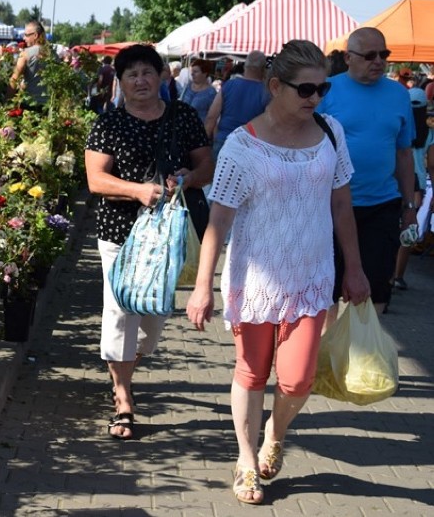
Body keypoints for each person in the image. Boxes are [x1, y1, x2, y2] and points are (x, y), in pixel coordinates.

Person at [186, 40, 370, 504]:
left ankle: (275, 432)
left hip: (311, 279)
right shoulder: (242, 147)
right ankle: (246, 461)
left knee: (297, 379)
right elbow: (219, 221)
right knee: (250, 372)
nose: (315, 97)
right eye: (305, 88)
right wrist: (202, 287)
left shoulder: (331, 133)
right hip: (255, 280)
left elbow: (342, 204)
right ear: (275, 86)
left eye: (322, 88)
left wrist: (355, 269)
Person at [84, 44, 213, 440]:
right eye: (131, 74)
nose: (140, 80)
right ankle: (123, 396)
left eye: (147, 72)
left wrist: (187, 178)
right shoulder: (109, 123)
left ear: (161, 77)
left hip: (168, 233)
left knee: (153, 319)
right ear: (120, 83)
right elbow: (96, 181)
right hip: (120, 230)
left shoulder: (184, 116)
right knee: (121, 310)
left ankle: (123, 369)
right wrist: (137, 191)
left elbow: (207, 165)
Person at [316, 27, 417, 317]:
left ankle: (364, 359)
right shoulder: (327, 90)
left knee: (374, 290)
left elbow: (404, 153)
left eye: (383, 54)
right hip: (331, 205)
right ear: (348, 57)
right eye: (370, 55)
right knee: (328, 288)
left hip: (381, 205)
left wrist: (409, 206)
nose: (378, 61)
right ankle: (327, 357)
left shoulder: (398, 94)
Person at [392, 87, 432, 289]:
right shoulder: (429, 132)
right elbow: (432, 163)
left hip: (395, 180)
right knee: (408, 229)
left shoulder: (399, 125)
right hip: (418, 185)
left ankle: (386, 273)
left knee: (390, 228)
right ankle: (398, 275)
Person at [204, 50, 270, 160]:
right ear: (263, 69)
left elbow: (211, 117)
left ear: (245, 66)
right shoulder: (266, 93)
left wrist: (205, 146)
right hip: (250, 145)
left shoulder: (229, 85)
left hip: (224, 141)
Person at [9, 20, 50, 110]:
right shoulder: (53, 54)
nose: (24, 38)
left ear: (35, 35)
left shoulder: (26, 53)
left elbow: (14, 79)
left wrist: (7, 102)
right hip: (48, 106)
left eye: (26, 35)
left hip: (29, 104)